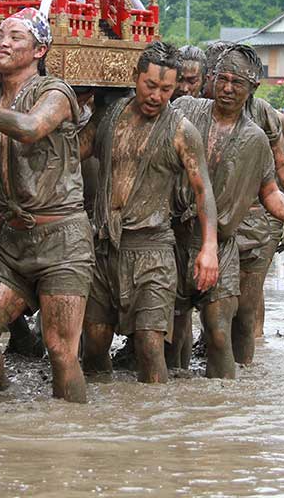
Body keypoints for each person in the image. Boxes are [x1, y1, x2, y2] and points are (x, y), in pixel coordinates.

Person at [0, 8, 92, 402]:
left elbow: (32, 129)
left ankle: (67, 440)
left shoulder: (54, 91)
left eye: (15, 37)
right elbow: (2, 189)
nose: (3, 42)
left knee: (60, 349)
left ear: (39, 49)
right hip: (12, 238)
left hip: (62, 239)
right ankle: (6, 397)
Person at [80, 42, 218, 384]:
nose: (157, 96)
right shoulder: (109, 116)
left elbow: (203, 191)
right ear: (135, 78)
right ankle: (95, 423)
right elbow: (71, 151)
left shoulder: (183, 131)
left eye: (166, 90)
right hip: (104, 246)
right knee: (94, 343)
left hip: (152, 248)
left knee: (149, 344)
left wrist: (209, 248)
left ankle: (157, 424)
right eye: (150, 86)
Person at [170, 45, 284, 376]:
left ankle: (227, 404)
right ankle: (174, 401)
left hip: (222, 244)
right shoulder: (186, 110)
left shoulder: (255, 137)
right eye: (223, 79)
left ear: (252, 90)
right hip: (176, 238)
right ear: (212, 78)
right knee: (172, 331)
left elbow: (270, 190)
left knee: (220, 329)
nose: (228, 89)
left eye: (238, 83)